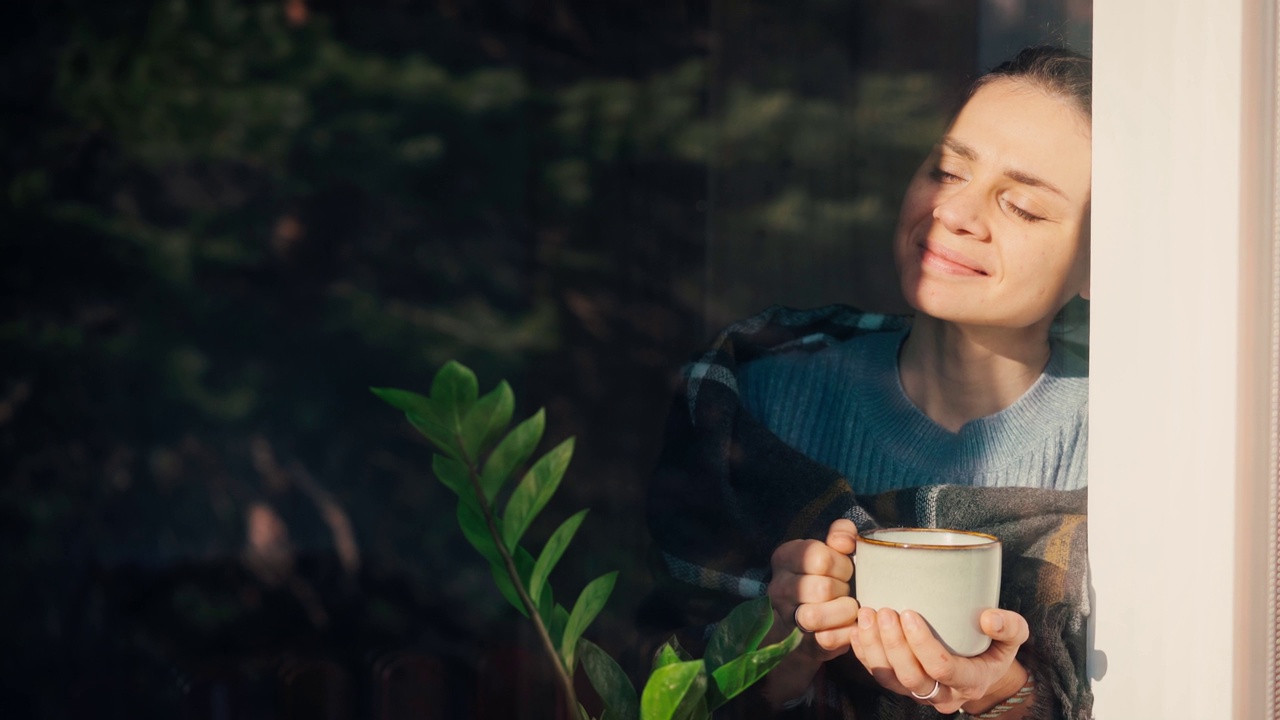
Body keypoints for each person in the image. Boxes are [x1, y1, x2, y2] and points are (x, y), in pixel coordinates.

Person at [646, 46, 1093, 720]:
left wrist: (1006, 697)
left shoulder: (1133, 440)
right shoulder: (756, 401)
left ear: (1100, 260)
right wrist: (782, 651)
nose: (956, 212)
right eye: (947, 170)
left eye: (1023, 207)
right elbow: (651, 677)